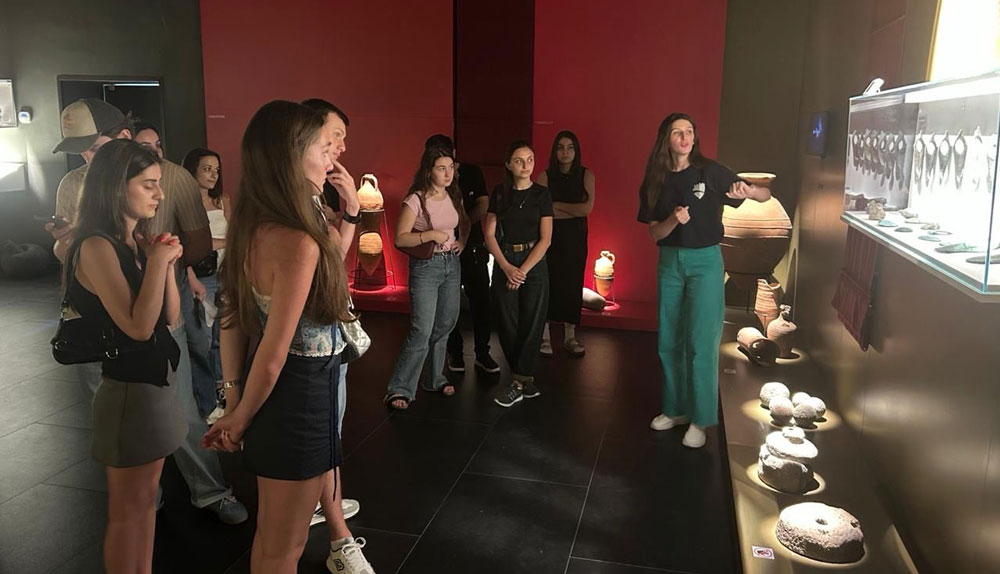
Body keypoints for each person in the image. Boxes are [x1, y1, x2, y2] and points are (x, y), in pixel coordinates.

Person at [47, 98, 248, 524]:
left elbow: (176, 289)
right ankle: (144, 502)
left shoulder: (159, 201)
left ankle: (205, 491)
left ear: (122, 137)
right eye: (80, 150)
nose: (88, 158)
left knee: (176, 411)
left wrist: (165, 262)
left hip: (152, 321)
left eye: (93, 146)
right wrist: (68, 243)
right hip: (107, 336)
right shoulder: (80, 200)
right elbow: (80, 258)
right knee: (129, 471)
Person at [203, 100, 372, 574]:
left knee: (274, 539)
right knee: (283, 548)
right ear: (292, 156)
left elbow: (233, 319)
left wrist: (236, 399)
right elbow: (275, 354)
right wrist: (238, 418)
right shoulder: (297, 239)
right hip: (300, 393)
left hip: (284, 392)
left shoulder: (253, 225)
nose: (331, 158)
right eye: (323, 147)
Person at [65, 139, 185, 573]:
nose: (160, 194)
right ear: (117, 185)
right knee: (128, 512)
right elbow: (136, 327)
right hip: (128, 391)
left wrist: (163, 264)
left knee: (145, 503)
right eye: (148, 184)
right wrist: (156, 263)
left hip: (153, 383)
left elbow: (169, 317)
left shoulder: (134, 241)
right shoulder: (96, 246)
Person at [637, 112, 770, 448]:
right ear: (666, 139)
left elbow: (763, 195)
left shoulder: (710, 171)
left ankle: (700, 418)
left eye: (689, 131)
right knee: (669, 340)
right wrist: (672, 219)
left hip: (706, 262)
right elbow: (655, 233)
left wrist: (748, 190)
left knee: (701, 342)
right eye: (677, 132)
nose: (685, 137)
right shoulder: (655, 179)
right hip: (670, 263)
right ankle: (675, 410)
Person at [300, 98, 370, 573]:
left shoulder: (310, 200)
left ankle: (326, 509)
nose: (340, 148)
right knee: (321, 435)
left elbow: (335, 261)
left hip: (324, 340)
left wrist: (350, 210)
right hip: (308, 348)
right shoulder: (290, 208)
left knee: (329, 433)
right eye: (333, 138)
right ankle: (334, 530)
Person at [384, 146, 470, 410]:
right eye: (441, 168)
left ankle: (435, 378)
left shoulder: (453, 195)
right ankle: (400, 388)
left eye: (450, 168)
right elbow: (400, 238)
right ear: (429, 170)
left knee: (446, 322)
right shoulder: (416, 199)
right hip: (426, 266)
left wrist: (462, 242)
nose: (448, 173)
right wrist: (430, 235)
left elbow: (464, 222)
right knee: (422, 328)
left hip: (451, 264)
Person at [423, 135, 501, 375]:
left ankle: (482, 352)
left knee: (480, 301)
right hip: (442, 250)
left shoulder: (471, 172)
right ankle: (455, 352)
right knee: (447, 304)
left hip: (472, 246)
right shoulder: (426, 179)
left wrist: (462, 233)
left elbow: (482, 205)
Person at [483, 141, 553, 407]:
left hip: (534, 262)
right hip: (505, 260)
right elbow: (489, 234)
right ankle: (523, 380)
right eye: (519, 160)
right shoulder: (500, 193)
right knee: (507, 322)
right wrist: (505, 267)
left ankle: (518, 383)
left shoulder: (542, 194)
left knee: (533, 322)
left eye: (530, 159)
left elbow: (546, 239)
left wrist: (522, 271)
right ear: (508, 164)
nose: (526, 165)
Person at [536, 130, 595, 358]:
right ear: (555, 151)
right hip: (550, 237)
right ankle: (545, 337)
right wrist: (569, 210)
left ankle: (570, 337)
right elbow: (543, 211)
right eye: (561, 147)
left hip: (576, 238)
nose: (565, 152)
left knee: (572, 284)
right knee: (548, 283)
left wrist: (557, 205)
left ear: (576, 151)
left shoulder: (586, 175)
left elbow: (586, 209)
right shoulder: (545, 176)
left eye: (570, 147)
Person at [182, 147, 228, 418]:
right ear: (193, 170)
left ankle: (221, 390)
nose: (213, 175)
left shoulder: (223, 201)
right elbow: (191, 245)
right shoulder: (185, 204)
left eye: (216, 170)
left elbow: (235, 233)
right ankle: (206, 401)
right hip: (201, 277)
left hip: (225, 274)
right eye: (207, 169)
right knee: (202, 341)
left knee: (224, 338)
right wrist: (226, 242)